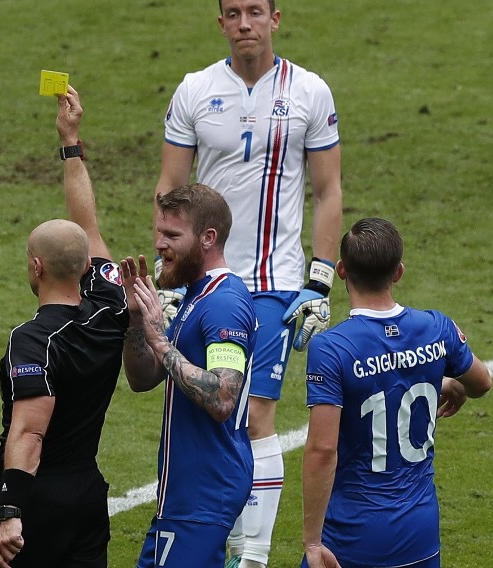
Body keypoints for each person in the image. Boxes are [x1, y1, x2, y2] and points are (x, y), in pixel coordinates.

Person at [153, 1, 343, 565]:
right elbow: (169, 185)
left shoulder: (310, 92)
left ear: (275, 19)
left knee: (256, 414)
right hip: (204, 284)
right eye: (232, 12)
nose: (244, 23)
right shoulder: (194, 90)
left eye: (254, 11)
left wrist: (321, 280)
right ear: (220, 23)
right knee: (208, 413)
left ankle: (252, 555)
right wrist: (167, 272)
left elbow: (327, 190)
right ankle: (218, 538)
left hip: (274, 286)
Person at [0, 86, 130, 568]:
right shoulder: (110, 306)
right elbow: (89, 226)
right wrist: (71, 143)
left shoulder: (31, 340)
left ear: (36, 267)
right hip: (87, 494)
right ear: (83, 267)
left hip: (37, 496)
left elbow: (30, 433)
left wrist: (10, 511)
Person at [301, 217, 492, 568]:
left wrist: (313, 541)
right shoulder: (437, 327)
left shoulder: (331, 348)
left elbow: (323, 450)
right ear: (399, 272)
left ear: (341, 270)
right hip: (420, 532)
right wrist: (448, 383)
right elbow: (482, 382)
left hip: (352, 536)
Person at [120, 183, 258, 568]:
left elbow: (222, 398)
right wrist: (135, 322)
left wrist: (161, 342)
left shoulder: (224, 304)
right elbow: (142, 379)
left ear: (207, 238)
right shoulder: (197, 296)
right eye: (159, 232)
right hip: (185, 493)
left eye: (172, 235)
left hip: (204, 493)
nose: (160, 244)